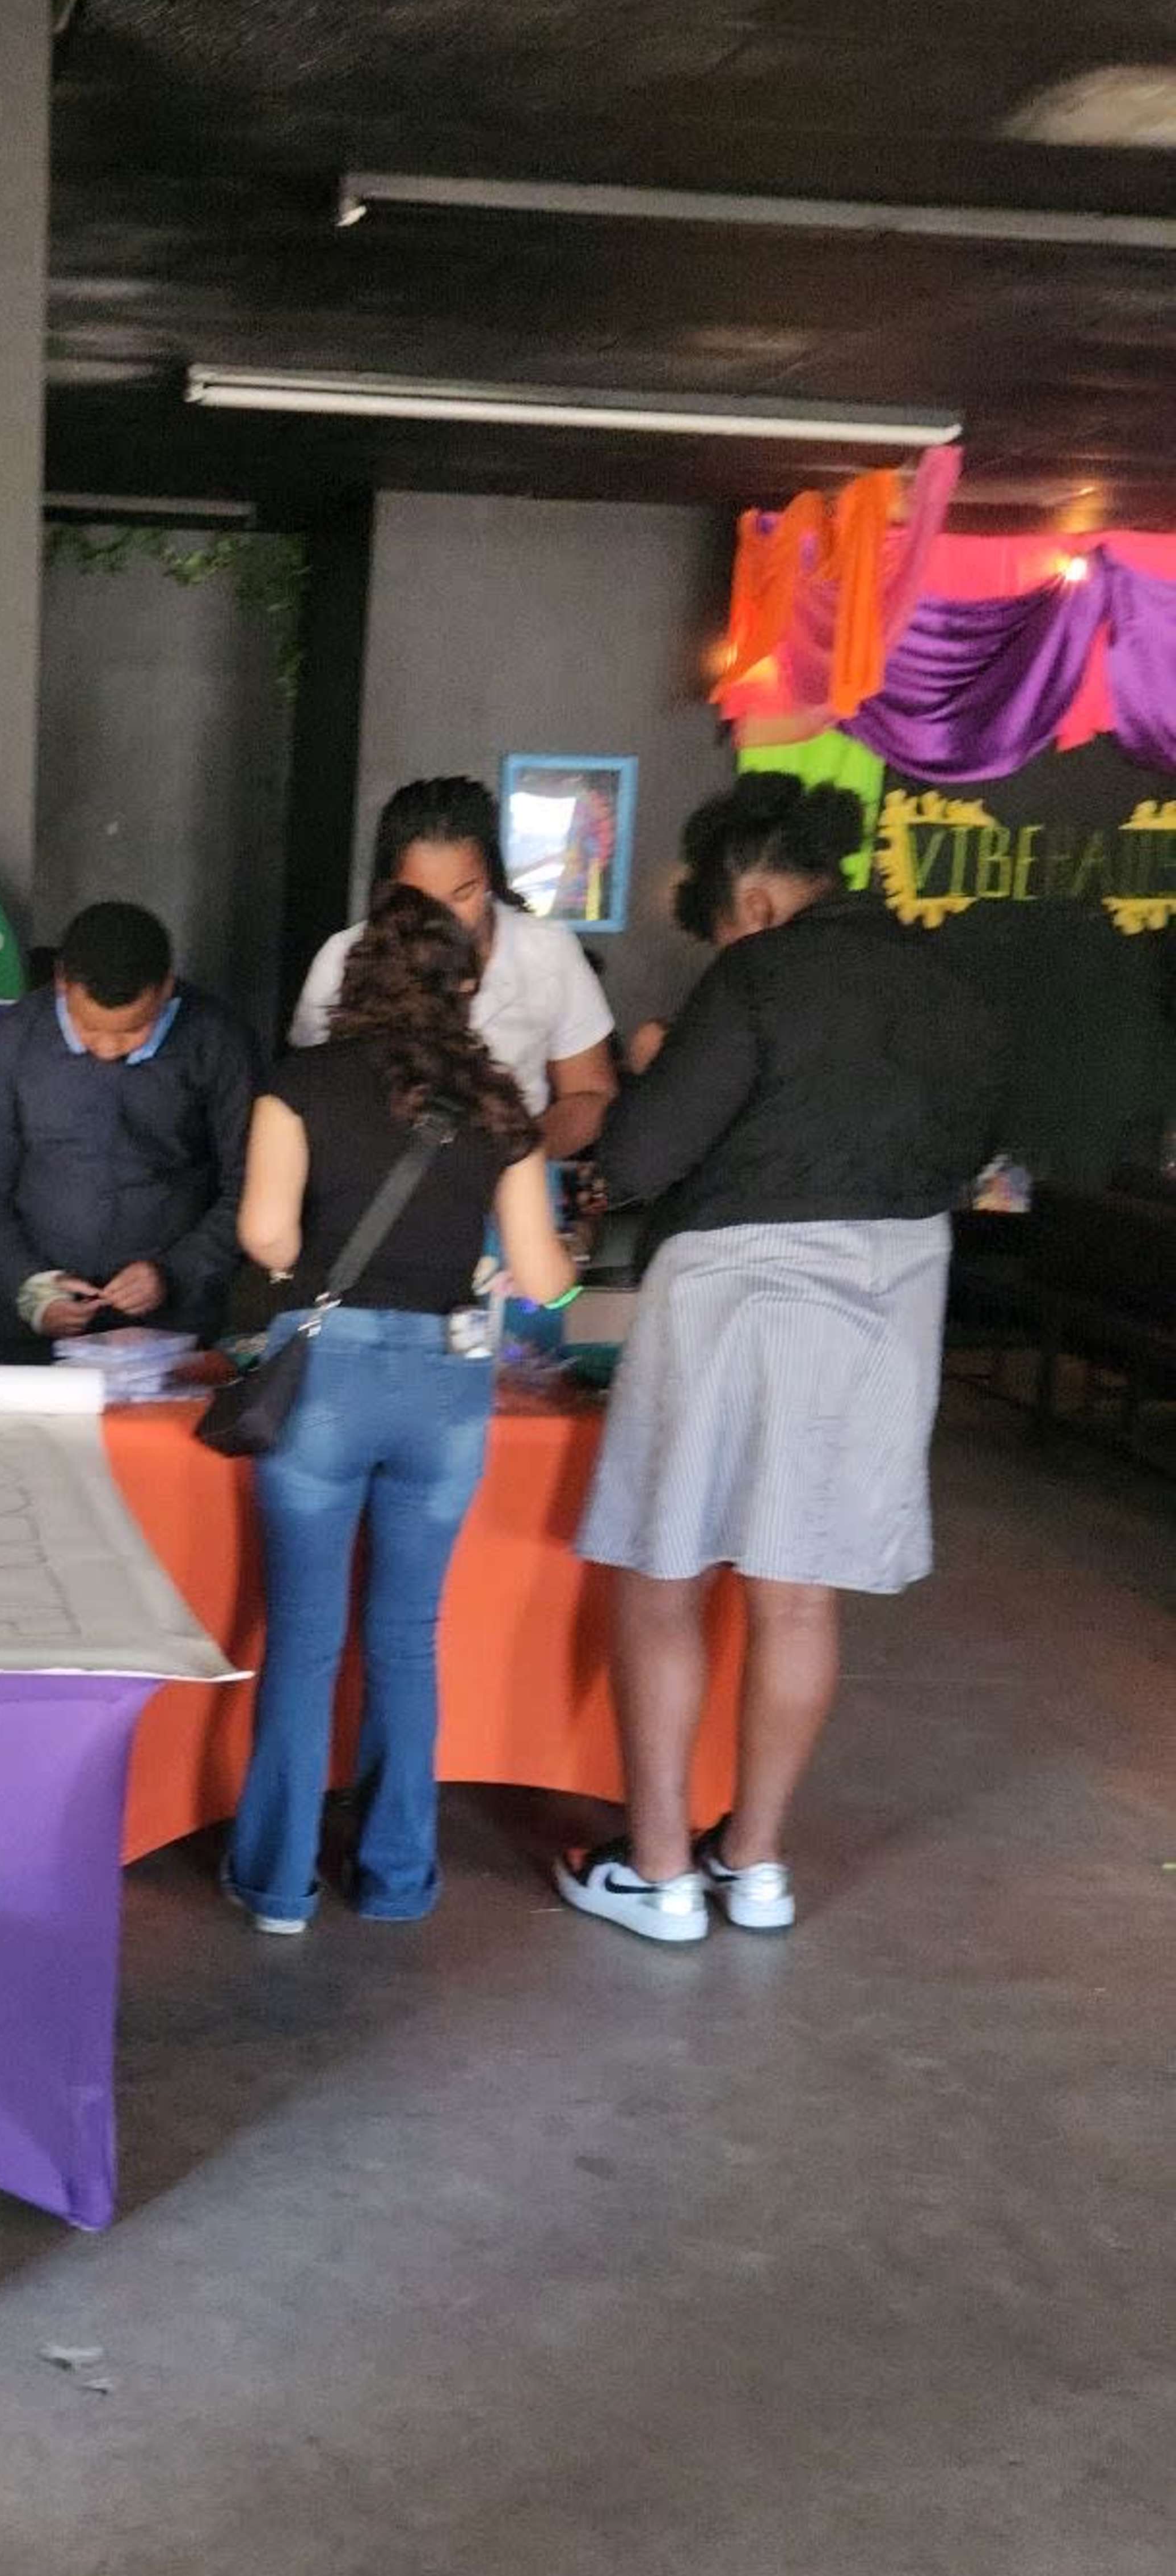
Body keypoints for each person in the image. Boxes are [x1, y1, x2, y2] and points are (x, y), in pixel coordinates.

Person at [557, 771, 1005, 1948]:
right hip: (897, 1288)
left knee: (666, 1582)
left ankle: (657, 1874)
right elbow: (980, 1145)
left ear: (750, 898)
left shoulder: (758, 974)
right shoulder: (953, 980)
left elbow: (644, 1154)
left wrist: (658, 1058)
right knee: (797, 1592)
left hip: (739, 1293)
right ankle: (753, 1865)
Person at [224, 884, 579, 1934]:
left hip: (325, 1381)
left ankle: (281, 1887)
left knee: (302, 1639)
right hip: (445, 1388)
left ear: (353, 983)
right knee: (407, 1640)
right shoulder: (500, 1104)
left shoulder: (299, 1089)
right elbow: (544, 1273)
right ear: (465, 986)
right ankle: (394, 1878)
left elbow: (268, 1242)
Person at [0, 900, 256, 1350]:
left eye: (133, 1031)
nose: (108, 1049)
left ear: (166, 987)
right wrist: (30, 1286)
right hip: (34, 1326)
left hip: (173, 1328)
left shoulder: (218, 1040)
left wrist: (176, 1272)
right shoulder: (16, 1039)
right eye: (89, 1029)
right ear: (61, 983)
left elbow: (251, 1186)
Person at [288, 775, 617, 1158]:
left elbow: (591, 1094)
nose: (444, 918)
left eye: (463, 894)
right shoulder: (343, 957)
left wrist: (510, 1165)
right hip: (376, 1190)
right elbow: (305, 1097)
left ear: (492, 876)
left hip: (507, 1191)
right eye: (421, 900)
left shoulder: (547, 951)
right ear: (389, 890)